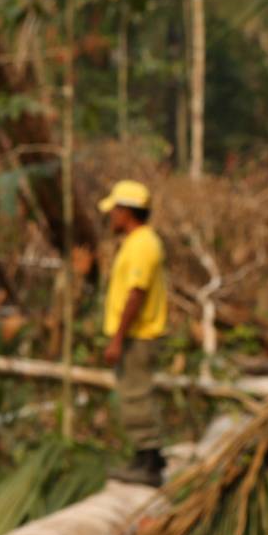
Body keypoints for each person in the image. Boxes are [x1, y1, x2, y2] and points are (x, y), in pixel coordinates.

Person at [98, 180, 169, 487]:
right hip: (134, 335)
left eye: (114, 209)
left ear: (126, 211)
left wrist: (117, 338)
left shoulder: (142, 244)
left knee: (136, 396)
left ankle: (149, 464)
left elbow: (136, 293)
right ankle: (145, 458)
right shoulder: (137, 242)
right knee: (134, 396)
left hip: (137, 337)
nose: (111, 216)